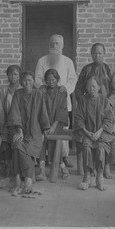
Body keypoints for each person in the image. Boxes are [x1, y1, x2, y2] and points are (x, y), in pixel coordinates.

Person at [75, 43, 115, 178]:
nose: (97, 55)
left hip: (105, 109)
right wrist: (84, 102)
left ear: (104, 54)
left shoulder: (108, 69)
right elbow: (78, 89)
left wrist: (107, 103)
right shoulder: (86, 69)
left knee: (108, 137)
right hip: (89, 109)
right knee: (87, 138)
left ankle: (105, 168)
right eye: (95, 53)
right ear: (91, 54)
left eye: (100, 53)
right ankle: (91, 168)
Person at [35, 34, 77, 167]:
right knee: (44, 129)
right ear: (49, 45)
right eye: (52, 43)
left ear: (62, 46)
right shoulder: (42, 60)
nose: (54, 46)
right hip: (46, 101)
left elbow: (72, 79)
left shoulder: (68, 61)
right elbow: (37, 78)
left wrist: (66, 88)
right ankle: (45, 157)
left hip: (61, 100)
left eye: (57, 43)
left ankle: (63, 157)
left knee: (61, 129)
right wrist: (41, 86)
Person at [7, 71, 50, 195]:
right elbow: (14, 113)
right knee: (17, 144)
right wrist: (19, 130)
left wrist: (44, 130)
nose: (27, 83)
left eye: (30, 80)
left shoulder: (38, 94)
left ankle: (22, 179)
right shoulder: (18, 94)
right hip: (19, 129)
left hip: (34, 132)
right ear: (21, 82)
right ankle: (26, 179)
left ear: (33, 81)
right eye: (25, 80)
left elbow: (43, 113)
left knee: (23, 148)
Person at [74, 76, 114, 191]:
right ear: (85, 88)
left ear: (99, 87)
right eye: (88, 86)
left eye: (94, 86)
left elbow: (108, 119)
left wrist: (99, 131)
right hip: (87, 133)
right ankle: (87, 177)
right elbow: (79, 118)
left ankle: (100, 177)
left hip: (101, 133)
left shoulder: (104, 100)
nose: (91, 89)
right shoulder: (82, 100)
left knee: (101, 149)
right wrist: (86, 131)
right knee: (86, 147)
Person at [37, 69, 69, 181]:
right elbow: (41, 109)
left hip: (57, 123)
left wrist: (53, 126)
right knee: (41, 139)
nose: (51, 82)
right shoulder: (42, 92)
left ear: (58, 79)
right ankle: (42, 170)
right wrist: (45, 126)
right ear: (45, 80)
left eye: (54, 79)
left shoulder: (62, 92)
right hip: (44, 122)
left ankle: (62, 167)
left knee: (54, 139)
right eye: (49, 80)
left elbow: (62, 110)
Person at [0, 65, 22, 176]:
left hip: (20, 123)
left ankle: (18, 167)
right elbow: (2, 109)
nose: (13, 76)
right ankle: (8, 165)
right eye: (11, 74)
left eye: (16, 74)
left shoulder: (22, 89)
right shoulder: (4, 90)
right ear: (7, 76)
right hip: (8, 122)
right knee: (5, 139)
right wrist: (3, 124)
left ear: (19, 76)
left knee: (17, 140)